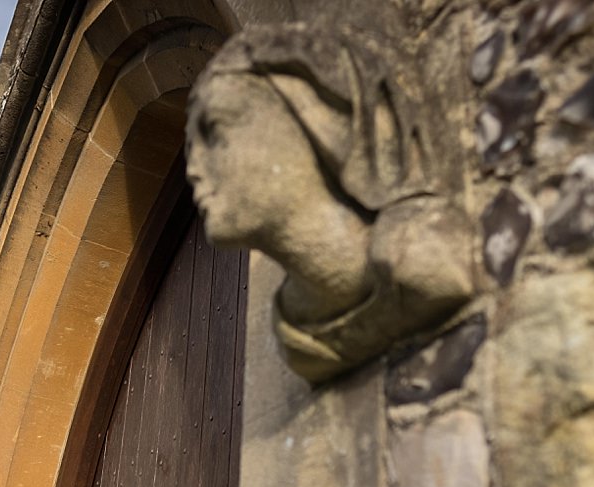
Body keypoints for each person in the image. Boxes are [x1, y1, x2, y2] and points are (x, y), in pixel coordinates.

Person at [185, 23, 475, 383]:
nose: (194, 169)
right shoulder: (298, 337)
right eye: (190, 150)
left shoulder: (424, 257)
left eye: (214, 129)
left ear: (316, 116)